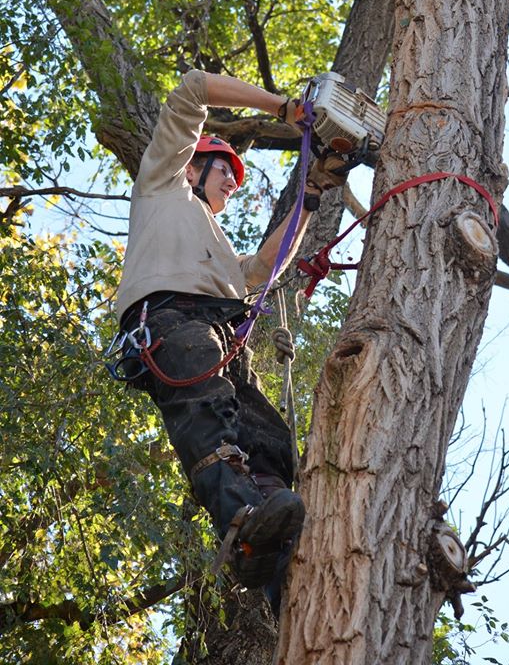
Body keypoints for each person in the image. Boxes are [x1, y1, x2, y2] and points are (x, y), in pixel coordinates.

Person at [114, 68, 345, 616]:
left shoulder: (214, 240)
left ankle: (277, 560)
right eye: (227, 171)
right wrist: (283, 107)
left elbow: (263, 267)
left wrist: (310, 194)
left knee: (270, 441)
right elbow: (193, 86)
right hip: (170, 321)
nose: (234, 184)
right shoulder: (161, 184)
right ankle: (242, 529)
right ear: (193, 164)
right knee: (209, 417)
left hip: (220, 334)